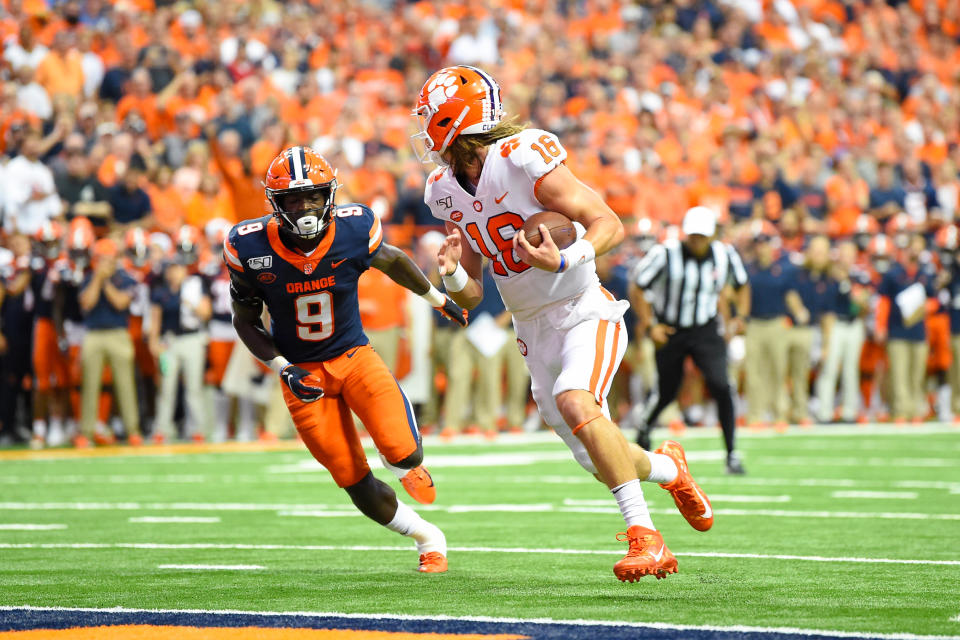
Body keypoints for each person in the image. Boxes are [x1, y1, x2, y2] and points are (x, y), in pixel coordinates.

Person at [416, 65, 713, 582]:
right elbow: (473, 291)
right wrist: (449, 278)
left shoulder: (522, 155)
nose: (425, 131)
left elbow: (608, 223)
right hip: (530, 327)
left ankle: (647, 538)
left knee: (579, 400)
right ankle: (668, 468)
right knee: (599, 458)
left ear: (457, 120)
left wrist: (566, 258)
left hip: (582, 307)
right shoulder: (444, 189)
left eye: (432, 118)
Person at [224, 146, 466, 573]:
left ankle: (406, 465)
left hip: (354, 355)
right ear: (276, 203)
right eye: (294, 199)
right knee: (352, 479)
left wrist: (436, 297)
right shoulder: (248, 246)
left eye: (313, 196)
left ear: (329, 195)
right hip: (303, 375)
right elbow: (245, 322)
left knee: (404, 453)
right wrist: (284, 367)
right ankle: (428, 537)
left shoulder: (355, 229)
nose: (305, 207)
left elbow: (392, 260)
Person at [629, 206, 750, 474]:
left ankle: (731, 454)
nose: (697, 241)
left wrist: (740, 317)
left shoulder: (724, 254)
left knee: (722, 384)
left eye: (702, 236)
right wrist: (651, 326)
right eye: (693, 235)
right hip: (671, 329)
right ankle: (644, 428)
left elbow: (742, 285)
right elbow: (638, 286)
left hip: (706, 329)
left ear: (713, 235)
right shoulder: (665, 253)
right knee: (667, 391)